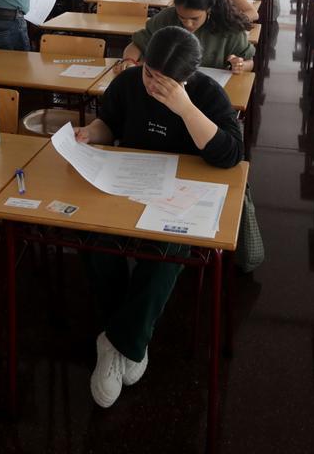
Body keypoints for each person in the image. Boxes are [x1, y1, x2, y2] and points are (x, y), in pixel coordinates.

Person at [73, 26, 244, 408]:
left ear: (187, 77)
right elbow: (109, 124)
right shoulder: (129, 82)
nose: (151, 84)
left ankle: (117, 342)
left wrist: (184, 107)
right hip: (128, 184)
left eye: (163, 81)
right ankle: (128, 337)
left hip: (178, 195)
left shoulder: (206, 94)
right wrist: (91, 134)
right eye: (149, 72)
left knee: (165, 252)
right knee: (95, 238)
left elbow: (231, 155)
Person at [123, 0, 255, 72]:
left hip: (208, 88)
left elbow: (249, 62)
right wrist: (129, 61)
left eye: (195, 18)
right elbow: (137, 44)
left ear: (209, 9)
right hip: (168, 84)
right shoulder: (167, 17)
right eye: (181, 17)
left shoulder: (228, 26)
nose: (188, 24)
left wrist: (240, 65)